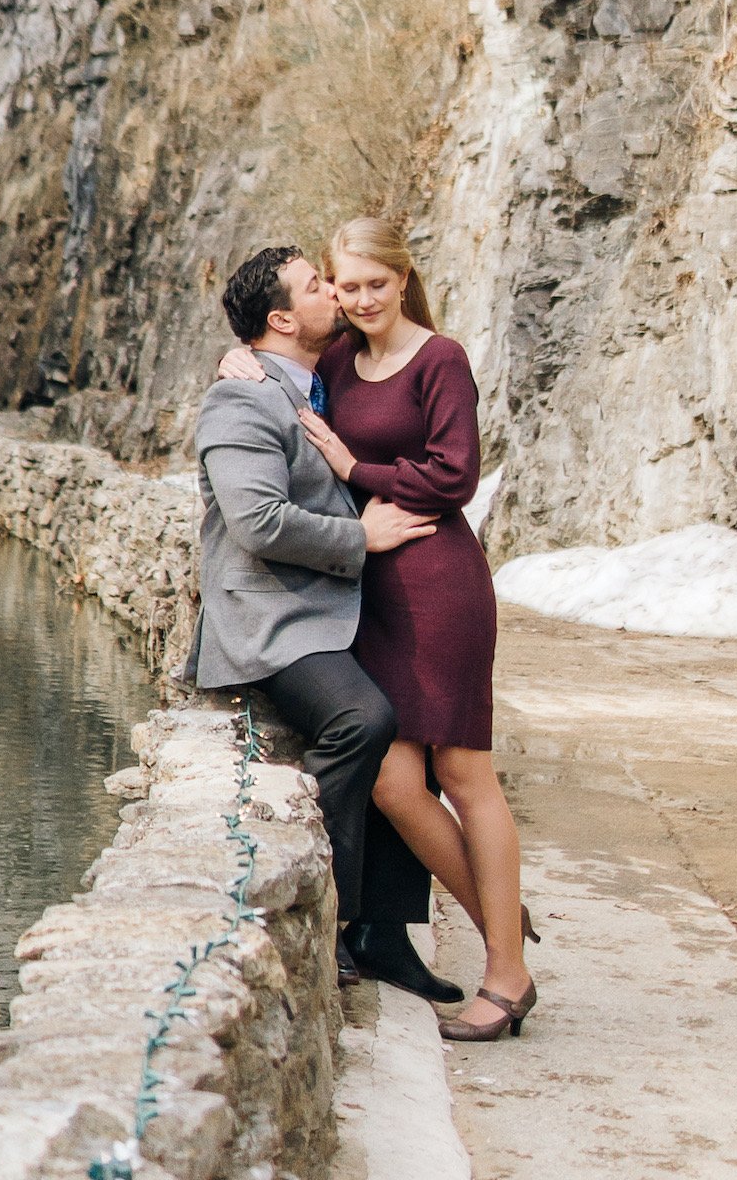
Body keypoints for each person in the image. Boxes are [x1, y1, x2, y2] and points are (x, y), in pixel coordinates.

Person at [220, 216, 537, 1041]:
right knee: (398, 783)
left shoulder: (440, 358)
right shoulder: (333, 359)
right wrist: (241, 360)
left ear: (403, 279)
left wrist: (357, 471)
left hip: (436, 581)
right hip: (367, 594)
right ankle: (504, 919)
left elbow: (455, 475)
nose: (356, 298)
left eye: (372, 284)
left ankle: (505, 974)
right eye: (343, 285)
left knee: (465, 774)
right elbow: (268, 364)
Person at [190, 244, 464, 1003]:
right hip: (272, 619)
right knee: (363, 719)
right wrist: (362, 538)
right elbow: (257, 521)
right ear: (282, 318)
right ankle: (334, 913)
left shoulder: (323, 380)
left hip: (337, 610)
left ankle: (388, 932)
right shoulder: (241, 400)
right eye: (318, 286)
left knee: (411, 730)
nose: (338, 295)